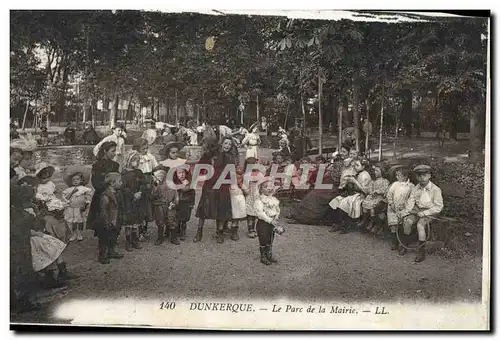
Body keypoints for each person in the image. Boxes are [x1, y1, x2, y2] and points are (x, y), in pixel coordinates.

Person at [194, 137, 237, 244]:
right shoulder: (206, 157)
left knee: (221, 208)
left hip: (222, 185)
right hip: (208, 185)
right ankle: (199, 231)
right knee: (203, 208)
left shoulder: (227, 157)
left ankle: (220, 231)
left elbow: (231, 172)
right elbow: (199, 168)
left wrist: (231, 183)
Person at [398, 165, 444, 263]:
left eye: (424, 175)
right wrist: (405, 212)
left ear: (429, 176)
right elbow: (411, 202)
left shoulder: (435, 189)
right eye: (419, 175)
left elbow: (438, 207)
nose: (422, 177)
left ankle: (421, 252)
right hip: (417, 210)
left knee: (420, 225)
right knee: (407, 221)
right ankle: (405, 245)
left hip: (430, 211)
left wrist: (424, 213)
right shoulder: (416, 188)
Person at [87, 141, 120, 239]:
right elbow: (95, 183)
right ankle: (103, 248)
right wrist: (108, 188)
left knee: (114, 218)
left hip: (114, 194)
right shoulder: (97, 165)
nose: (115, 153)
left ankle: (111, 244)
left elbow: (118, 179)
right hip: (102, 195)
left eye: (115, 151)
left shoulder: (115, 165)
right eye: (112, 151)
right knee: (103, 219)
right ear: (105, 151)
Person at [329, 159, 372, 234]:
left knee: (344, 203)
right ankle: (339, 224)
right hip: (354, 193)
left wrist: (355, 182)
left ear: (363, 166)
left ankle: (345, 226)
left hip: (361, 195)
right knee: (336, 200)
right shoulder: (358, 173)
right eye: (354, 165)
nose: (355, 167)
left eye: (357, 165)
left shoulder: (365, 175)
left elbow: (366, 191)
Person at [95, 172, 125, 264]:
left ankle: (111, 252)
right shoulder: (106, 196)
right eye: (119, 181)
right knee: (104, 239)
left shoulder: (118, 193)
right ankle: (102, 256)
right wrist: (106, 222)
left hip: (116, 219)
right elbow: (103, 211)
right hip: (108, 221)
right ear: (112, 183)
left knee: (113, 236)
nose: (121, 183)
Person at [120, 151, 147, 251]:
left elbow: (144, 183)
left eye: (139, 160)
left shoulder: (138, 172)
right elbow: (123, 188)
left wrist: (140, 192)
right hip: (128, 200)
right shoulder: (124, 174)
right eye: (136, 160)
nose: (138, 162)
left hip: (138, 200)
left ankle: (135, 240)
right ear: (130, 161)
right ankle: (128, 241)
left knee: (136, 221)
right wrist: (132, 194)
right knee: (129, 222)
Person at [254, 179, 285, 265]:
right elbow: (260, 213)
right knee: (263, 239)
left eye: (271, 187)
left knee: (270, 238)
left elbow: (277, 210)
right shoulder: (259, 201)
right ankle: (263, 256)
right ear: (261, 189)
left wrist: (276, 217)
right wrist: (270, 220)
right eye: (266, 187)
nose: (269, 188)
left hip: (272, 222)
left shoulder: (273, 199)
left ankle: (269, 254)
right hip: (263, 223)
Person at [386, 166, 415, 252]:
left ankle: (402, 243)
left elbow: (412, 199)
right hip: (393, 207)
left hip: (403, 208)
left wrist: (405, 206)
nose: (397, 177)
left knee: (402, 225)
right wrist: (391, 203)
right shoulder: (395, 184)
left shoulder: (411, 186)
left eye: (399, 175)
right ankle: (394, 242)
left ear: (405, 176)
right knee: (393, 225)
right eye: (396, 175)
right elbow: (389, 194)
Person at [151, 165, 180, 245]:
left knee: (171, 220)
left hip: (170, 205)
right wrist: (155, 186)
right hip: (160, 205)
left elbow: (176, 196)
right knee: (160, 221)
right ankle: (160, 237)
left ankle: (173, 237)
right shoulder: (156, 185)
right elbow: (153, 196)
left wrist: (174, 203)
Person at [62, 171, 93, 242]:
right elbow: (66, 198)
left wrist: (86, 203)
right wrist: (72, 192)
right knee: (71, 222)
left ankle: (79, 233)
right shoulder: (68, 190)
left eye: (77, 179)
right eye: (73, 180)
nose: (75, 181)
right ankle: (73, 234)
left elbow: (88, 196)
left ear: (81, 180)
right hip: (71, 208)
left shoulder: (84, 188)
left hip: (79, 208)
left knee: (79, 221)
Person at [361, 163, 390, 234]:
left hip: (380, 197)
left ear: (382, 171)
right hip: (372, 197)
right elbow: (369, 189)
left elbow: (385, 190)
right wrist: (371, 191)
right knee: (364, 206)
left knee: (372, 209)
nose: (375, 172)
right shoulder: (372, 180)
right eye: (374, 171)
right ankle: (365, 221)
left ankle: (374, 223)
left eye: (377, 171)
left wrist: (378, 191)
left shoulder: (385, 181)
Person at [242, 157, 264, 239]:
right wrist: (246, 190)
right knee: (250, 214)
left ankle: (254, 229)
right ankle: (250, 229)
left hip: (257, 196)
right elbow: (244, 186)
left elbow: (262, 185)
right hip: (250, 197)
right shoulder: (246, 175)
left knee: (255, 214)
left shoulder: (260, 175)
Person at [173, 167, 195, 241]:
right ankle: (177, 230)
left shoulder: (188, 183)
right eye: (179, 173)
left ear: (186, 173)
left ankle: (183, 232)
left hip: (186, 202)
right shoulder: (175, 183)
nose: (181, 175)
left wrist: (192, 203)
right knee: (177, 217)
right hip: (177, 203)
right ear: (176, 174)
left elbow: (192, 193)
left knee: (184, 219)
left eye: (183, 173)